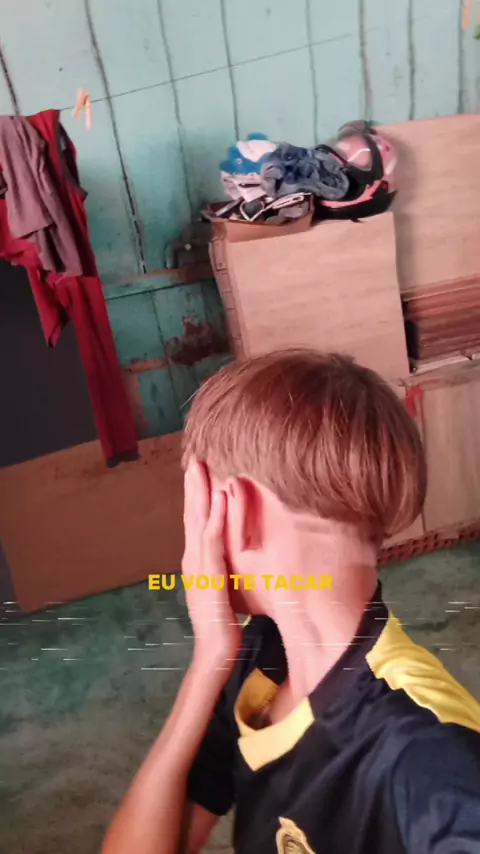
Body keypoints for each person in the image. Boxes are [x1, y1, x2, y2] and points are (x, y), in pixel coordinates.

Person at [102, 350, 480, 854]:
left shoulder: (424, 748)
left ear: (239, 513)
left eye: (197, 507)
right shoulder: (256, 661)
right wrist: (209, 661)